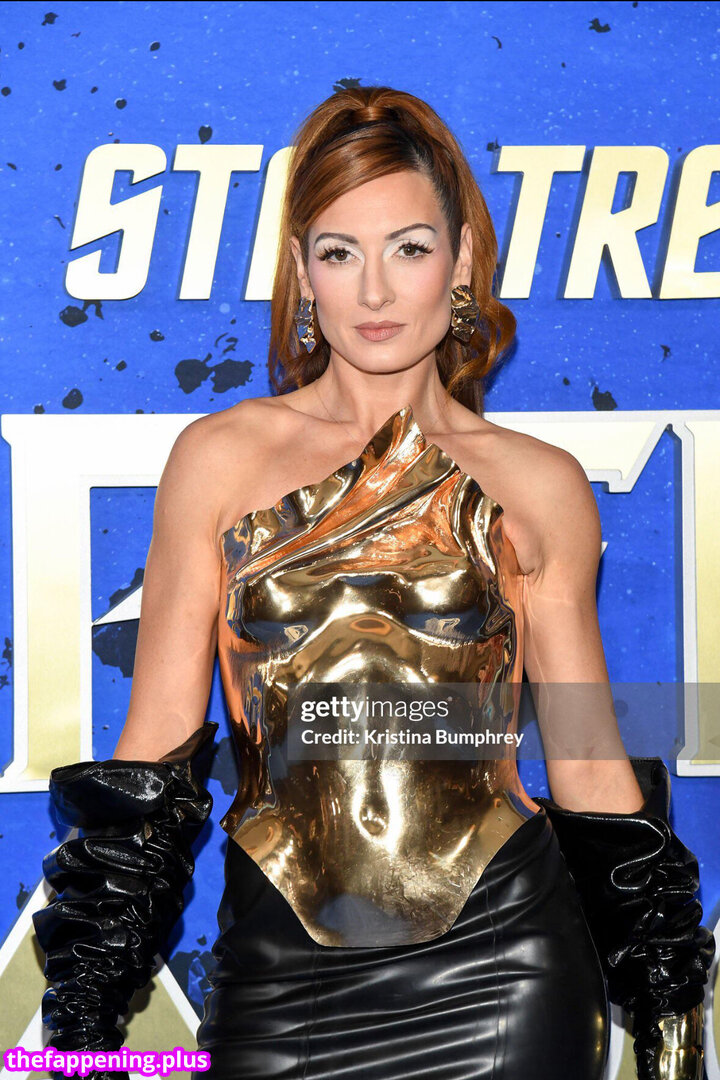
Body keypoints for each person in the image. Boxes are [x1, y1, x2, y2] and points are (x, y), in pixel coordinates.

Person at [32, 86, 714, 1080]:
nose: (376, 291)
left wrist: (669, 1018)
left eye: (409, 247)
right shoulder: (219, 461)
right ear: (302, 270)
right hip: (281, 978)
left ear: (462, 260)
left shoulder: (538, 484)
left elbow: (587, 764)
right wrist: (82, 1026)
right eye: (340, 252)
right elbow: (157, 755)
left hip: (504, 975)